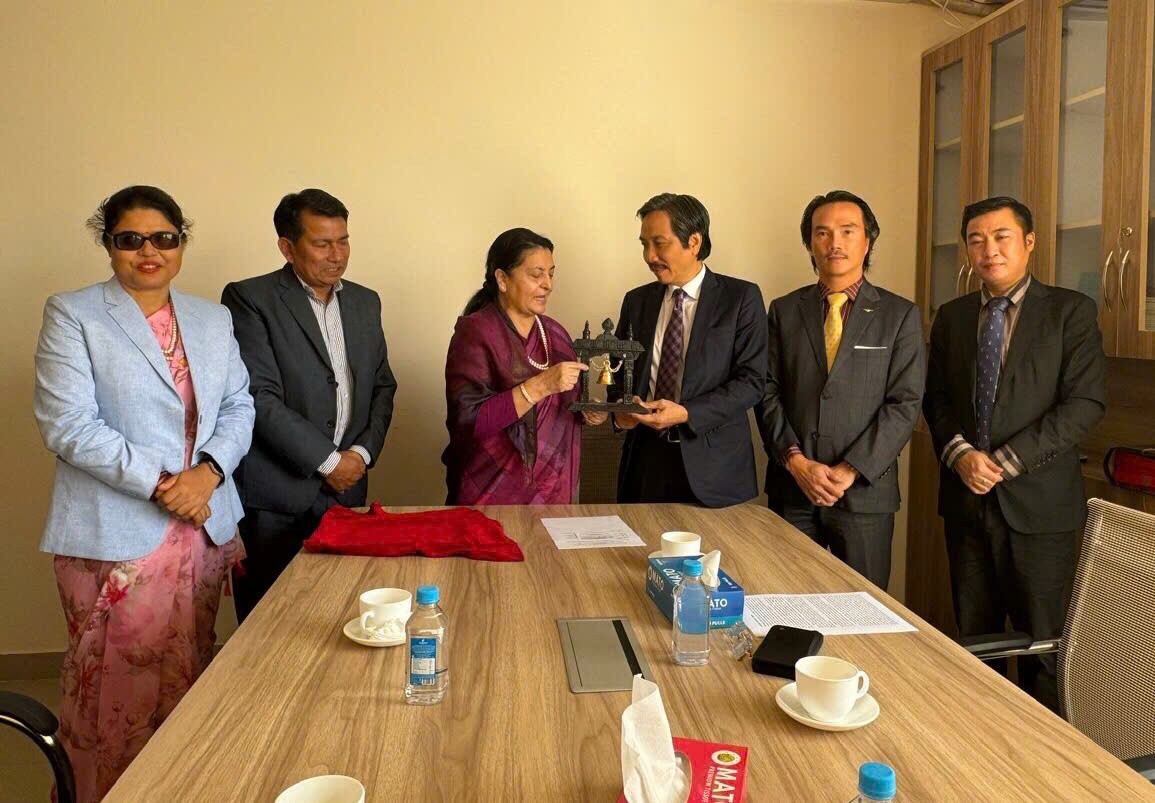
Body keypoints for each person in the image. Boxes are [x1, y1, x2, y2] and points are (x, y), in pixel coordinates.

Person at [33, 186, 254, 802]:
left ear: (181, 242)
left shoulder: (212, 319)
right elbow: (68, 424)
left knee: (189, 679)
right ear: (109, 245)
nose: (148, 251)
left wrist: (208, 473)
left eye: (164, 238)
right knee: (109, 697)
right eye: (130, 239)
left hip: (203, 526)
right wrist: (164, 485)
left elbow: (239, 405)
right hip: (115, 533)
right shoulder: (74, 313)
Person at [923, 196, 1107, 710]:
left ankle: (1040, 753)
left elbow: (1085, 404)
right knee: (974, 644)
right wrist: (961, 455)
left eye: (1001, 237)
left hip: (1039, 509)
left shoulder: (1070, 311)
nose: (990, 250)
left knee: (1043, 651)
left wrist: (1004, 464)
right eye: (976, 240)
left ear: (1028, 242)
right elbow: (936, 400)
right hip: (967, 504)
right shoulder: (953, 317)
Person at [221, 189, 397, 622]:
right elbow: (257, 396)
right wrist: (328, 461)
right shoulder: (250, 298)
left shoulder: (365, 301)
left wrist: (360, 455)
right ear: (287, 247)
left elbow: (382, 386)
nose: (337, 255)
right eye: (322, 243)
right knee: (268, 625)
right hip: (275, 499)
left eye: (343, 241)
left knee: (340, 618)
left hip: (347, 491)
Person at [756, 191, 924, 589]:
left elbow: (904, 404)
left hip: (864, 493)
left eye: (848, 231)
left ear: (868, 241)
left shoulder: (899, 315)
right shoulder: (783, 310)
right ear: (810, 245)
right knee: (787, 603)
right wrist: (797, 462)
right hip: (794, 489)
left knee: (863, 609)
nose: (835, 242)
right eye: (822, 233)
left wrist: (850, 470)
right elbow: (766, 391)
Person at [612, 193, 767, 507]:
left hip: (715, 469)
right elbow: (616, 373)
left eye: (659, 243)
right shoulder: (636, 301)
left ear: (694, 242)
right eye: (644, 244)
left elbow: (751, 383)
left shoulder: (741, 298)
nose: (649, 256)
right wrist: (620, 413)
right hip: (644, 466)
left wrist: (686, 413)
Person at [443, 228, 605, 504]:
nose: (548, 285)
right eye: (536, 275)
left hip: (554, 492)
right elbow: (468, 421)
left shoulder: (556, 334)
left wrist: (589, 412)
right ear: (502, 279)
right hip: (492, 491)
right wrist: (540, 386)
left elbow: (563, 411)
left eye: (551, 274)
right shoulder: (477, 332)